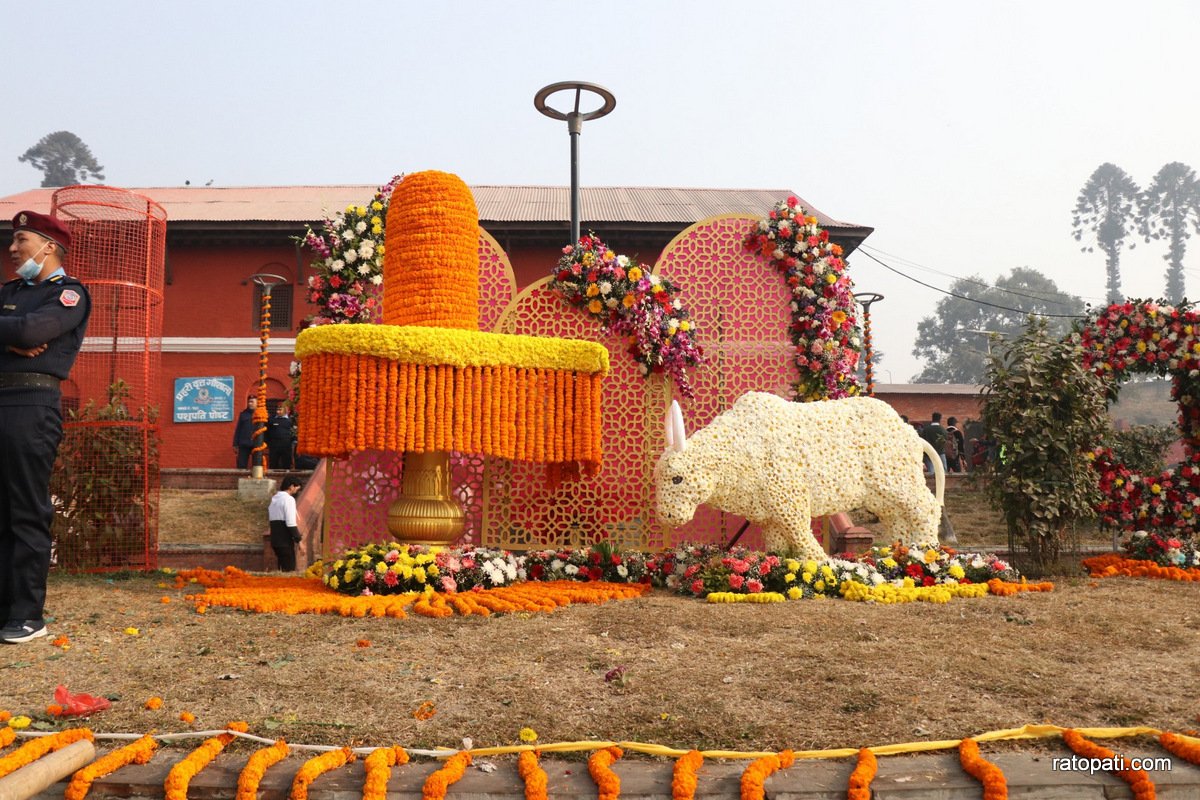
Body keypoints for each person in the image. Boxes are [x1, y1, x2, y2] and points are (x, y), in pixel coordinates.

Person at [0, 211, 91, 644]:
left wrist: (16, 333)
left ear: (48, 246)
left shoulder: (69, 294)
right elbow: (18, 330)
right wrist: (9, 336)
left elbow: (34, 328)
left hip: (31, 404)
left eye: (20, 239)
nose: (13, 249)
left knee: (25, 509)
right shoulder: (10, 291)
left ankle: (27, 614)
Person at [267, 475, 304, 571]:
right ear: (291, 486)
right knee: (289, 570)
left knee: (281, 569)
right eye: (296, 488)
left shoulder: (274, 499)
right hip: (285, 541)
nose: (296, 492)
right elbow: (290, 523)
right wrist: (299, 541)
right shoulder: (288, 499)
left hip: (275, 540)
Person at [266, 402, 295, 470]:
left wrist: (294, 441)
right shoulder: (271, 419)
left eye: (280, 410)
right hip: (274, 445)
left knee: (286, 463)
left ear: (285, 410)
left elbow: (294, 432)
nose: (278, 412)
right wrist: (268, 442)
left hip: (286, 445)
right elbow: (267, 431)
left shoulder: (290, 420)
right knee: (273, 463)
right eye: (277, 410)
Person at [232, 394, 258, 469]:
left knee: (257, 465)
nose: (250, 403)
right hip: (244, 443)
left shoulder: (261, 413)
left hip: (256, 443)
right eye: (249, 402)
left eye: (252, 402)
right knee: (241, 465)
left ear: (257, 403)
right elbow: (238, 429)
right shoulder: (243, 414)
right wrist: (235, 444)